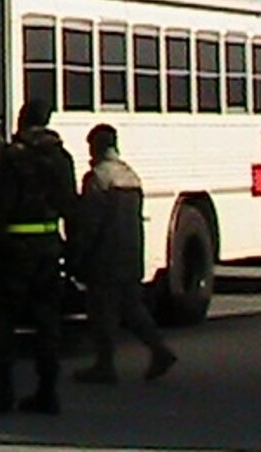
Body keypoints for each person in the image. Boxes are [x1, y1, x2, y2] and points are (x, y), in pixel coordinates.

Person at [0, 98, 78, 414]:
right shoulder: (61, 158)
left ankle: (4, 390)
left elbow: (1, 206)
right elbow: (70, 206)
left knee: (5, 320)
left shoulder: (14, 157)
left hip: (13, 248)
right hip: (48, 248)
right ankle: (48, 391)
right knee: (47, 322)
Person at [70, 123, 178, 384]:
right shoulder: (130, 175)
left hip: (105, 257)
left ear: (95, 146)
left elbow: (91, 222)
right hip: (130, 252)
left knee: (101, 312)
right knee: (132, 308)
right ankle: (159, 349)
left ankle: (105, 365)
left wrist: (79, 253)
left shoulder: (97, 178)